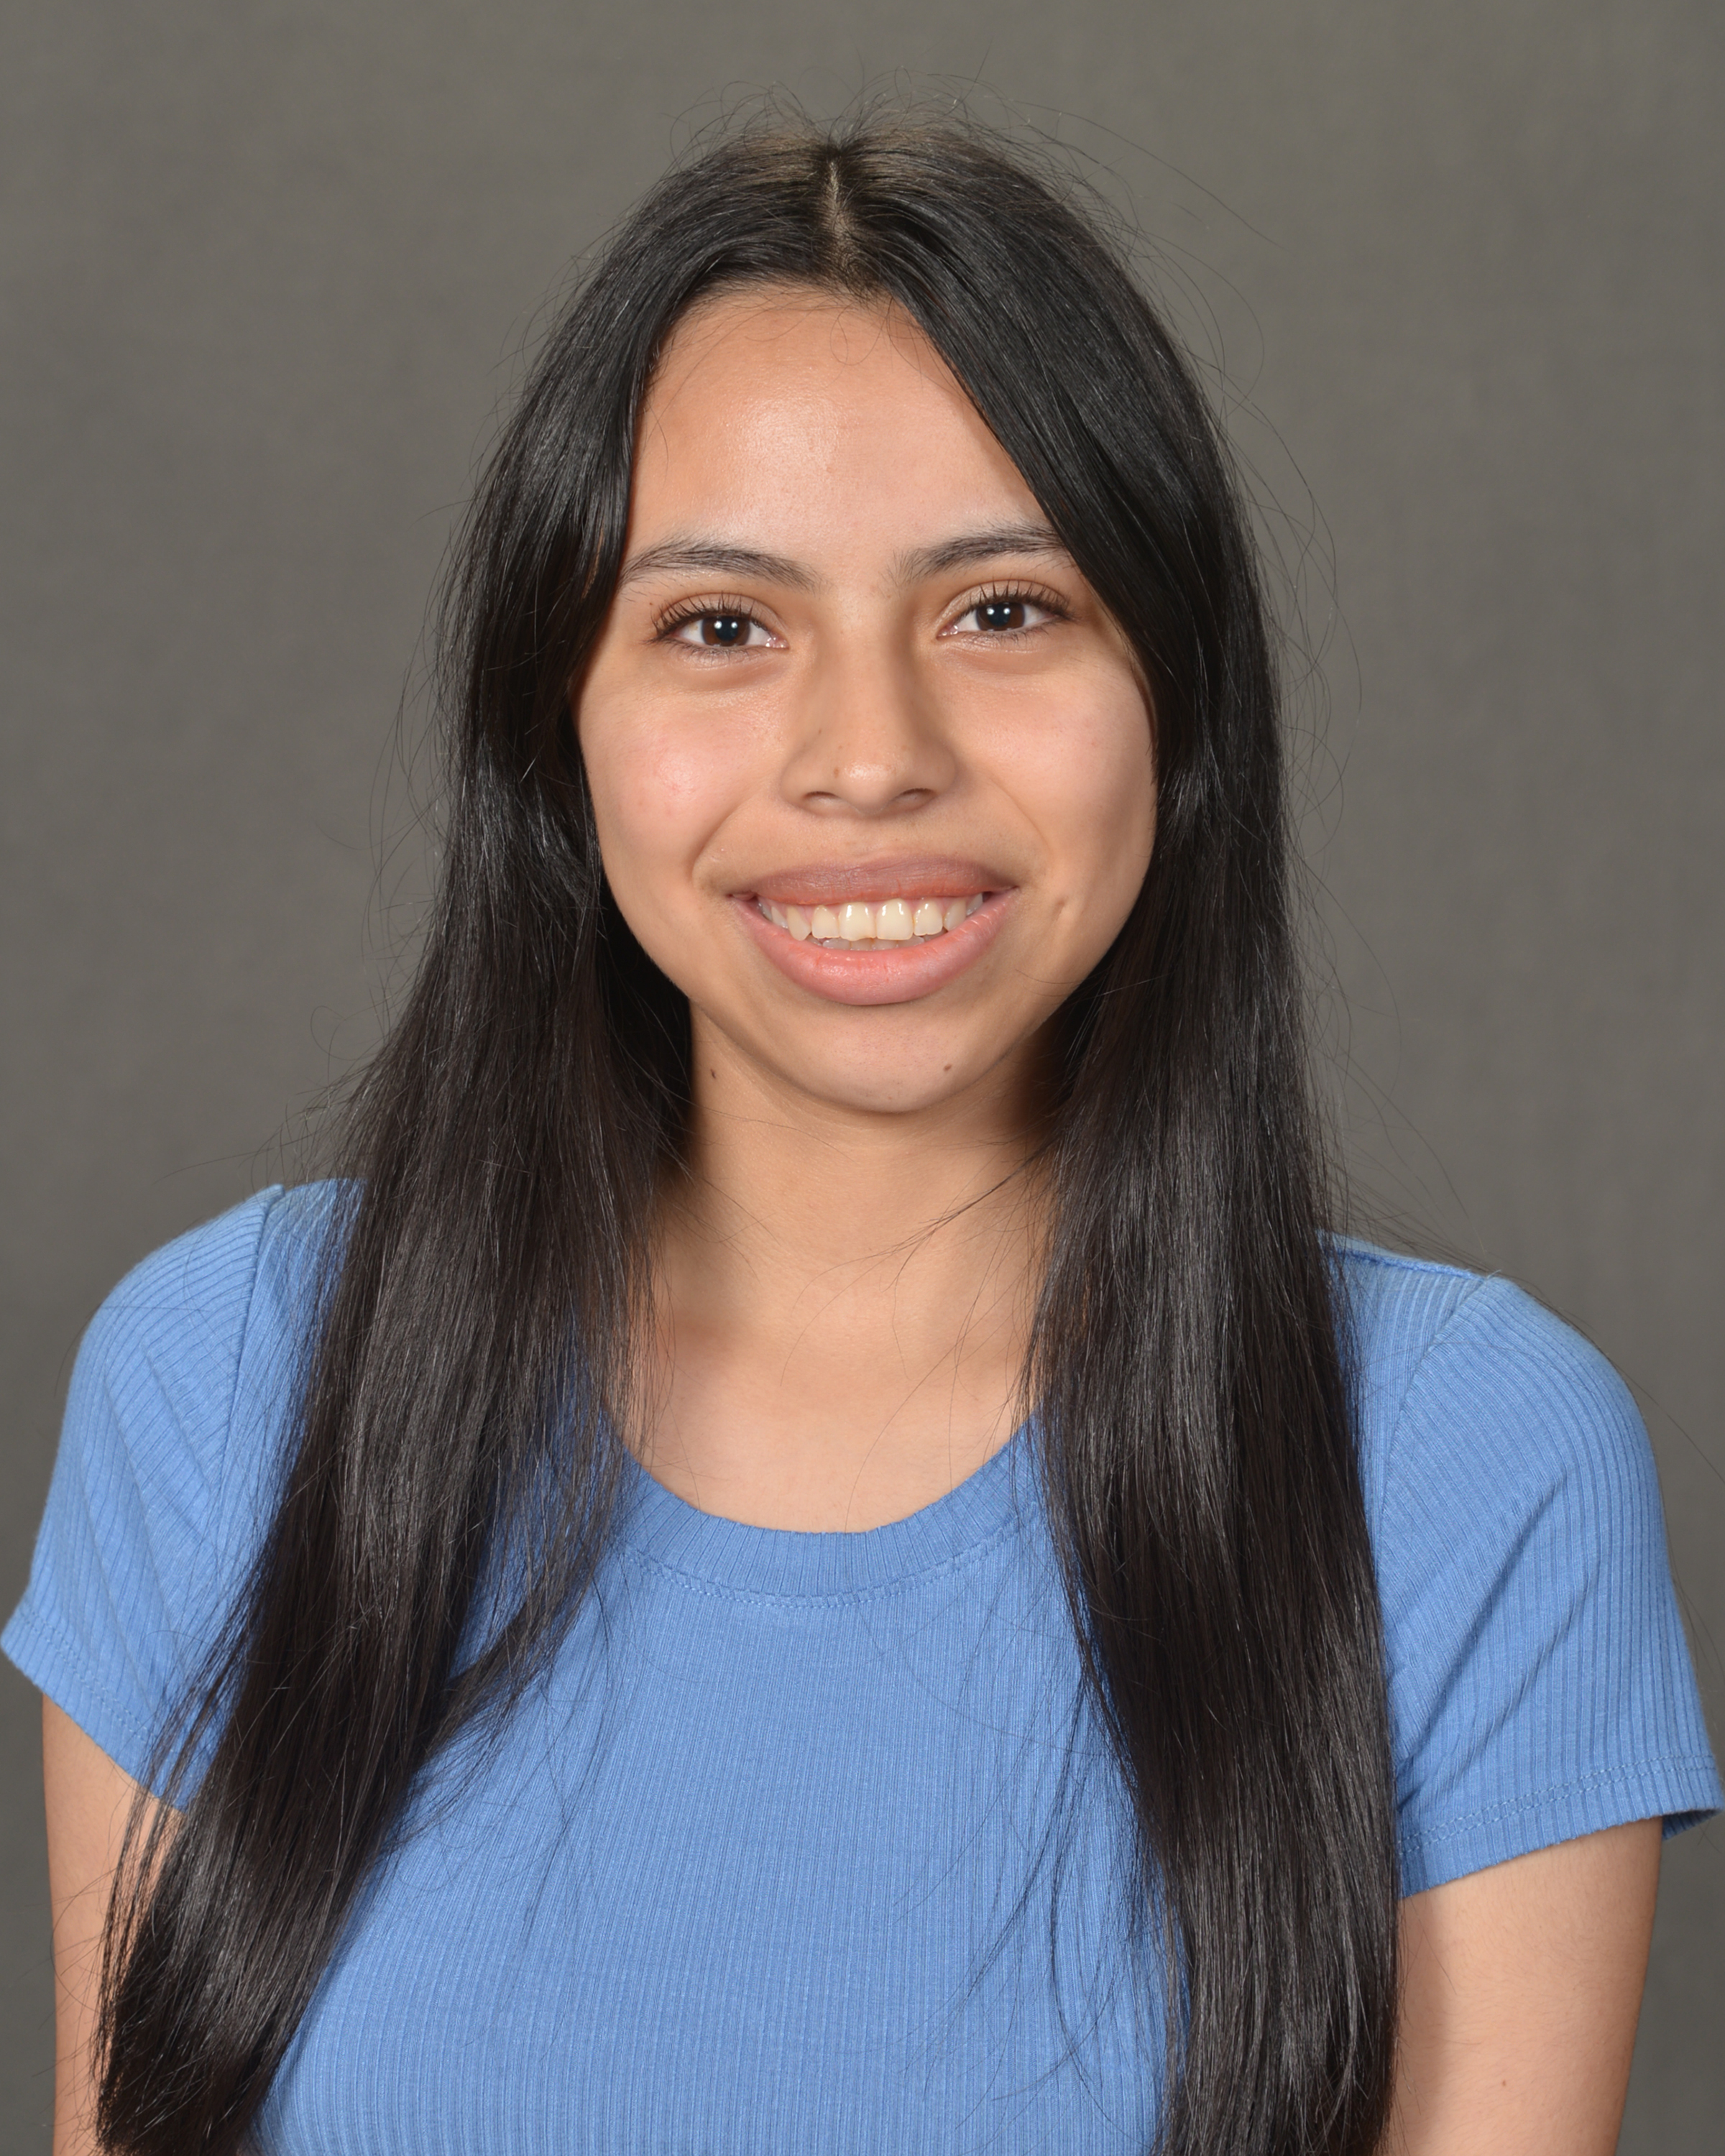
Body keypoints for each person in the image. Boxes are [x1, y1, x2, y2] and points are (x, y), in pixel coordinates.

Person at [9, 113, 1719, 2156]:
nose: (872, 759)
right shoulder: (226, 1390)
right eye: (722, 626)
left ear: (1176, 702)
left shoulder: (1465, 1465)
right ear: (560, 728)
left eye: (1003, 611)